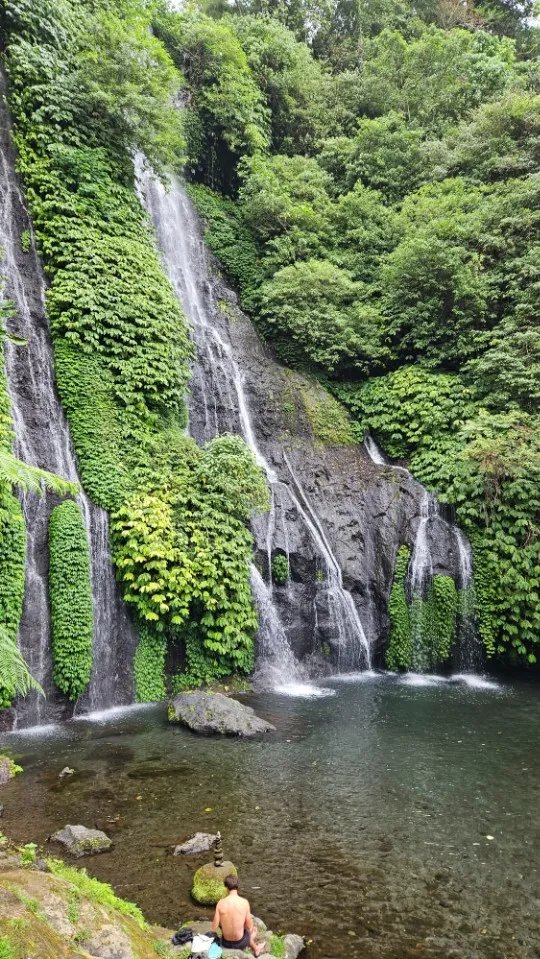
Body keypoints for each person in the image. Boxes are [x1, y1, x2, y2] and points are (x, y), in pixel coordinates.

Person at [212, 874, 264, 956]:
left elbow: (214, 927)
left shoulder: (220, 903)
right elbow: (248, 926)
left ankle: (252, 939)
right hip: (241, 943)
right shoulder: (244, 902)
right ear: (237, 886)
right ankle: (256, 948)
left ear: (226, 887)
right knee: (252, 928)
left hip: (226, 943)